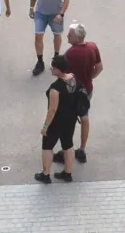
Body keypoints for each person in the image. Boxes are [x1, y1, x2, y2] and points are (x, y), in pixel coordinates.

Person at [57, 23, 102, 166]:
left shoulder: (70, 54)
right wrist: (89, 78)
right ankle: (82, 149)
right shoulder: (93, 47)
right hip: (87, 89)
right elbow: (99, 67)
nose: (67, 36)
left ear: (77, 38)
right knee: (84, 116)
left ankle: (66, 151)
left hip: (72, 93)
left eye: (70, 35)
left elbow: (63, 74)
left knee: (67, 121)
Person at [35, 53, 81, 183]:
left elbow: (52, 110)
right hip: (71, 119)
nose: (51, 69)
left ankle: (45, 174)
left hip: (57, 122)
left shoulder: (55, 89)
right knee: (68, 144)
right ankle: (68, 173)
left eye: (53, 67)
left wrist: (45, 127)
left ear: (58, 70)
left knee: (47, 146)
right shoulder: (74, 79)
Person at [29, 0, 70, 75]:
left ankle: (56, 58)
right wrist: (31, 7)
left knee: (57, 35)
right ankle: (40, 62)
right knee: (38, 36)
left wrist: (61, 14)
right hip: (40, 13)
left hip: (55, 13)